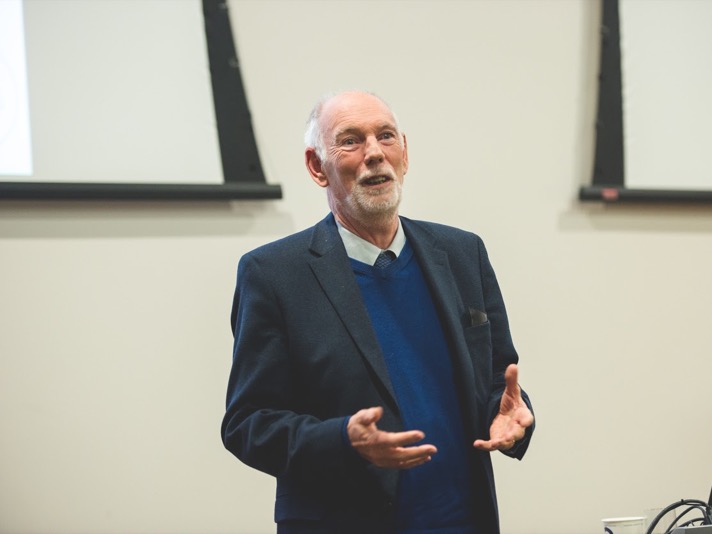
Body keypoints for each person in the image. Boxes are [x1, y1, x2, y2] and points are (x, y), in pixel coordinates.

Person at [222, 91, 535, 534]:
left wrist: (510, 415)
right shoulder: (273, 274)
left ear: (404, 153)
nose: (374, 154)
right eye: (350, 141)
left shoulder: (463, 253)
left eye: (385, 136)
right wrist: (342, 441)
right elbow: (248, 424)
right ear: (317, 167)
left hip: (463, 520)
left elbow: (496, 385)